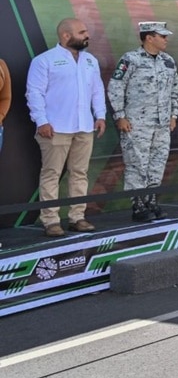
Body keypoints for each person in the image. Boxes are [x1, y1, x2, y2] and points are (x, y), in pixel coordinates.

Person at [27, 18, 106, 236]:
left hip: (84, 126)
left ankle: (77, 217)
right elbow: (34, 93)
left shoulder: (90, 60)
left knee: (80, 173)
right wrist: (41, 120)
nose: (87, 35)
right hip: (55, 127)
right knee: (51, 174)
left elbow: (97, 90)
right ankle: (51, 221)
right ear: (66, 36)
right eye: (82, 32)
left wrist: (100, 115)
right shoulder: (45, 60)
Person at [108, 21, 178, 221]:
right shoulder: (130, 59)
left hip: (162, 124)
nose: (166, 40)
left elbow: (175, 90)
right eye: (162, 36)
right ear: (149, 37)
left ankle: (151, 201)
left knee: (157, 163)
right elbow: (115, 87)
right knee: (137, 164)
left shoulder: (168, 61)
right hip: (136, 123)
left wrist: (173, 115)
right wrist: (120, 115)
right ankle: (138, 205)